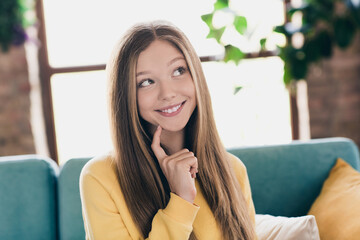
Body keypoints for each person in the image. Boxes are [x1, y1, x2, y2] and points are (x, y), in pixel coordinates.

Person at [80, 20, 257, 240]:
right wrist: (180, 200)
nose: (168, 92)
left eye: (178, 70)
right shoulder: (100, 177)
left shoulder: (233, 171)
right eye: (146, 82)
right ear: (126, 96)